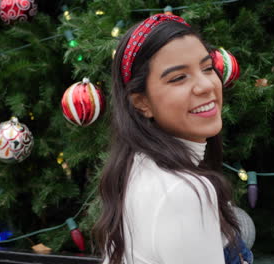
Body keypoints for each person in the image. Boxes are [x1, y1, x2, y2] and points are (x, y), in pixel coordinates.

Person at [93, 13, 253, 264]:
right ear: (142, 102)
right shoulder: (184, 192)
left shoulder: (135, 167)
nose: (205, 86)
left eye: (207, 68)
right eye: (179, 78)